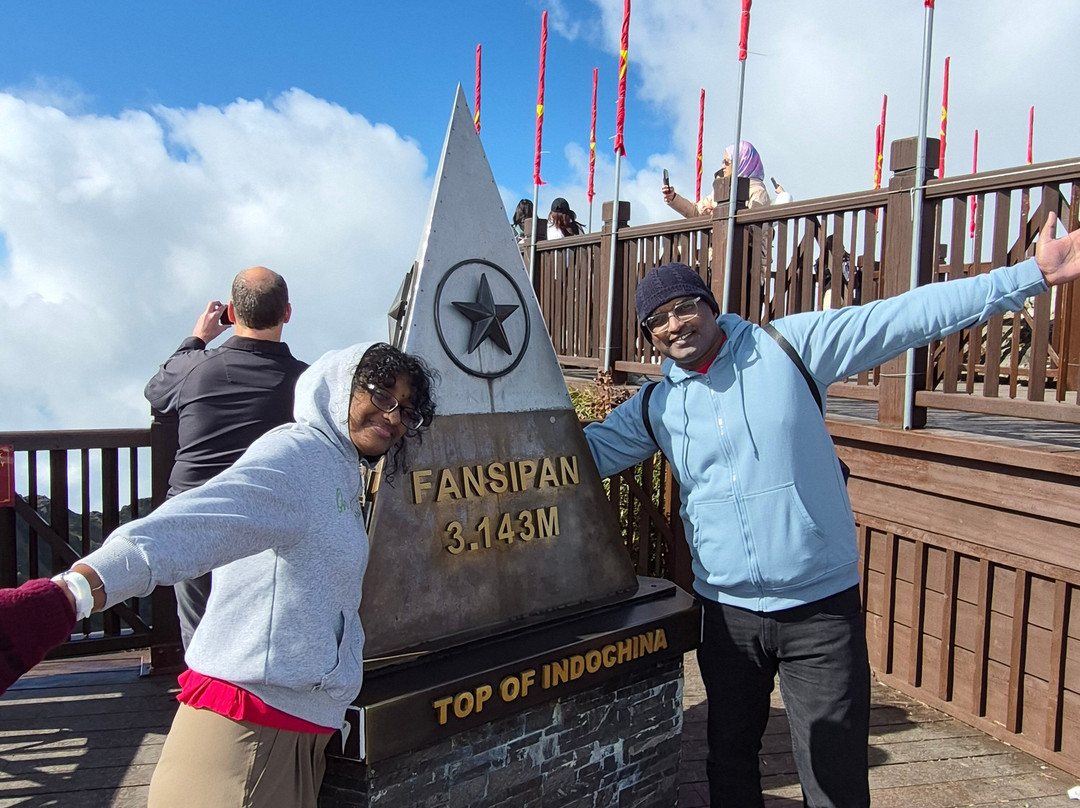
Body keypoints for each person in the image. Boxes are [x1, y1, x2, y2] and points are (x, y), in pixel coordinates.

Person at [583, 213, 1080, 807]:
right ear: (650, 336)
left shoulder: (787, 347)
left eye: (685, 306)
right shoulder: (655, 406)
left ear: (711, 306)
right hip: (727, 615)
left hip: (820, 611)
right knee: (728, 764)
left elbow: (903, 317)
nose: (675, 324)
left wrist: (1030, 275)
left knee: (835, 781)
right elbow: (576, 457)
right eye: (658, 320)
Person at [0, 342, 437, 807]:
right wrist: (74, 593)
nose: (392, 416)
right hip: (247, 732)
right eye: (381, 395)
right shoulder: (300, 457)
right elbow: (193, 524)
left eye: (406, 410)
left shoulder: (341, 469)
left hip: (288, 728)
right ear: (341, 386)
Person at [145, 266, 308, 650]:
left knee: (200, 640)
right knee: (261, 634)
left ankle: (202, 684)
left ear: (231, 313)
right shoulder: (306, 382)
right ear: (287, 313)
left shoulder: (193, 367)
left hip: (193, 518)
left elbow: (156, 392)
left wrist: (198, 338)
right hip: (265, 522)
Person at [662, 140, 772, 218]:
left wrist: (716, 214)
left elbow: (755, 230)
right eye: (723, 161)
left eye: (727, 162)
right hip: (719, 244)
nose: (723, 166)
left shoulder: (758, 192)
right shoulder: (723, 188)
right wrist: (673, 197)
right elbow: (696, 211)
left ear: (742, 162)